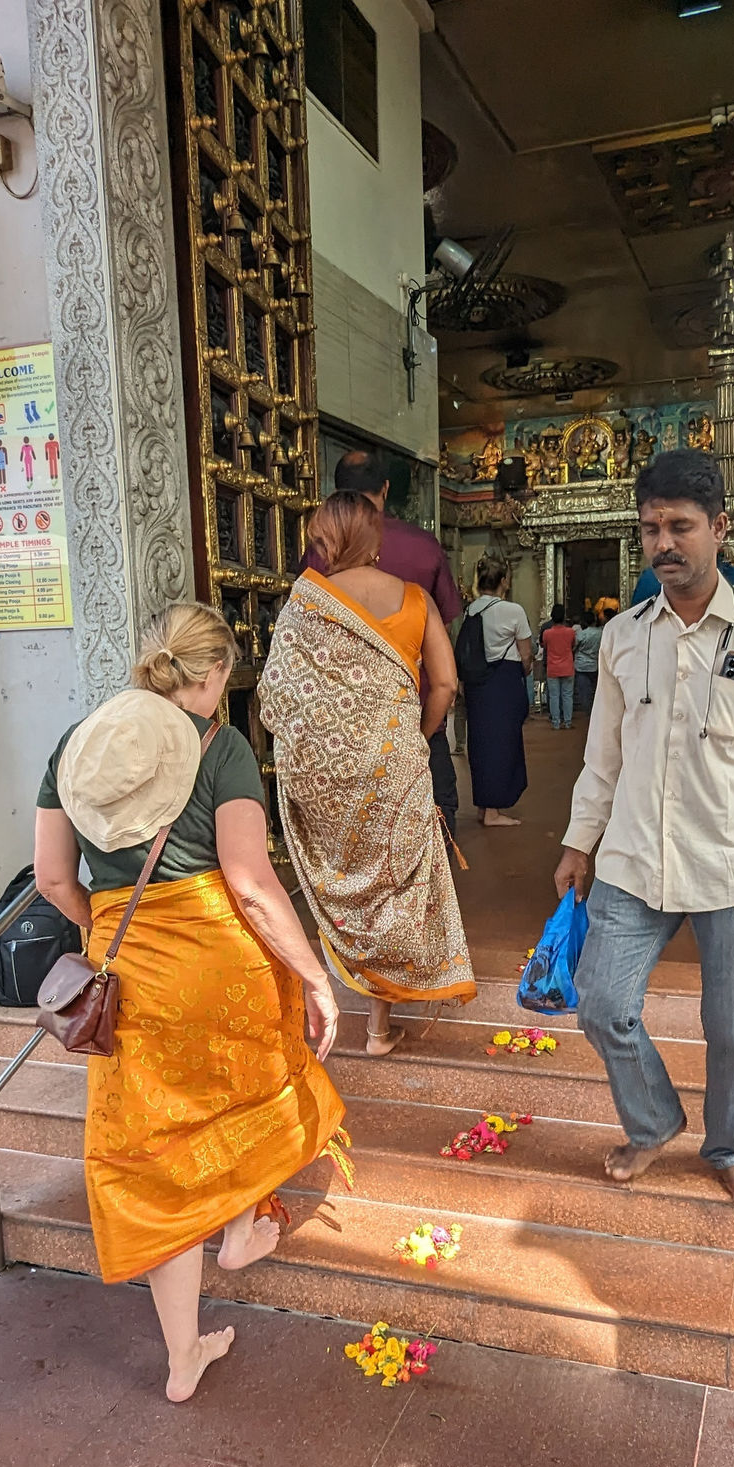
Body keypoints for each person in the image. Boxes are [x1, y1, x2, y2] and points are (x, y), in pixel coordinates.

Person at [35, 602, 348, 1402]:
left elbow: (51, 879)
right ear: (213, 676)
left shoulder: (77, 745)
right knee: (244, 1102)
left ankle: (181, 1359)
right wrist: (315, 976)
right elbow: (248, 880)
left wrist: (109, 930)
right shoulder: (223, 745)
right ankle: (242, 1230)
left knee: (159, 1161)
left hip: (128, 967)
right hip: (219, 961)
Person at [554, 450, 734, 1205]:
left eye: (679, 527)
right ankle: (653, 1123)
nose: (663, 544)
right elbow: (603, 755)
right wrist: (577, 840)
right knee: (601, 1004)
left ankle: (728, 1144)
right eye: (650, 529)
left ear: (718, 528)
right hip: (631, 858)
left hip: (733, 864)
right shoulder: (623, 635)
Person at [262, 495, 474, 1056]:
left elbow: (277, 695)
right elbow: (446, 685)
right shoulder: (415, 599)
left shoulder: (304, 603)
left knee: (345, 882)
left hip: (326, 775)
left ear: (325, 540)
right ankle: (379, 1027)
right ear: (375, 537)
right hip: (396, 764)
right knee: (392, 885)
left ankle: (334, 994)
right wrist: (416, 738)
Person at [300, 449, 465, 841]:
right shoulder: (419, 567)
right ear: (385, 489)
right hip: (414, 735)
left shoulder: (311, 582)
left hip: (341, 748)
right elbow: (445, 683)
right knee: (430, 846)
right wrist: (420, 737)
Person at [459, 558, 532, 826]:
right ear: (504, 581)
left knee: (480, 743)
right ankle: (493, 812)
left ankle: (484, 805)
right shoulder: (513, 610)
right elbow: (526, 655)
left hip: (478, 683)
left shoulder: (471, 610)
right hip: (504, 681)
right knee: (503, 744)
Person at [539, 602, 576, 728]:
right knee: (567, 696)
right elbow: (573, 645)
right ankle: (568, 722)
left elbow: (544, 646)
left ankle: (555, 722)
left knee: (554, 696)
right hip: (567, 666)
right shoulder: (571, 632)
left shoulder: (547, 633)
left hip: (553, 667)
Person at [573, 607, 603, 720]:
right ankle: (595, 710)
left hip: (581, 665)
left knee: (583, 690)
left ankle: (588, 711)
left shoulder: (582, 634)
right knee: (596, 689)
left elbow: (574, 646)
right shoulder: (601, 633)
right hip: (595, 663)